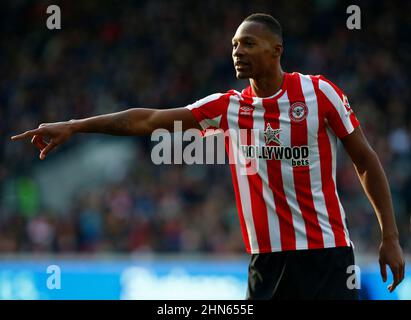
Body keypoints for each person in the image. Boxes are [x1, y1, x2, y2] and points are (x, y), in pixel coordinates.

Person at [11, 13, 405, 299]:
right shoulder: (227, 108)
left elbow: (365, 160)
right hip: (266, 262)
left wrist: (389, 236)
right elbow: (148, 120)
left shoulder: (319, 94)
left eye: (248, 43)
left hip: (328, 255)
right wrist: (75, 125)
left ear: (276, 50)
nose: (237, 51)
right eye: (234, 44)